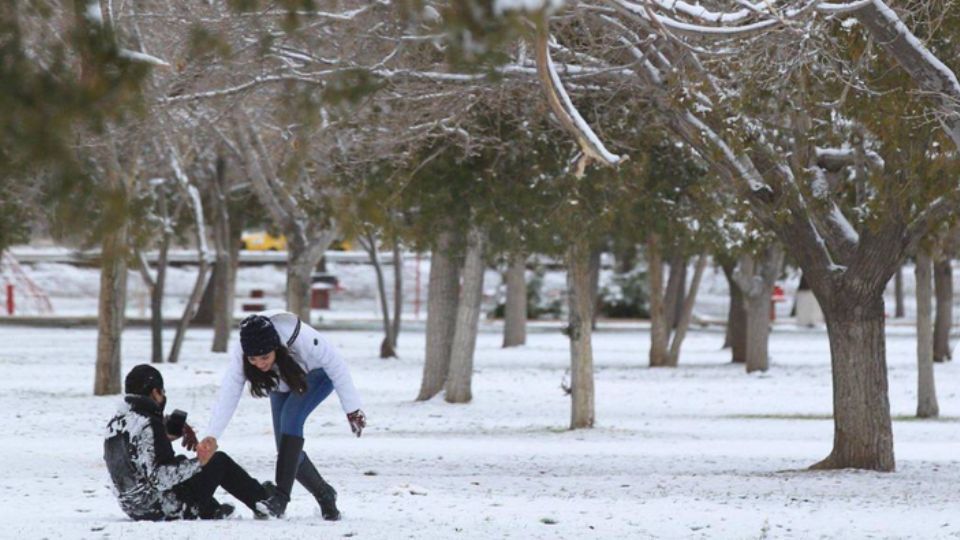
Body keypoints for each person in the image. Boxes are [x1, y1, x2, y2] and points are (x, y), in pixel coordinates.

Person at [202, 310, 367, 519]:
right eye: (253, 359)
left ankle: (280, 499)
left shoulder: (301, 338)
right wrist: (212, 434)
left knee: (291, 421)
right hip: (281, 383)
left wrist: (352, 409)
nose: (260, 364)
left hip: (318, 375)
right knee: (286, 448)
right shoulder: (242, 352)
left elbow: (337, 365)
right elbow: (230, 391)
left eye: (265, 357)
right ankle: (325, 494)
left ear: (277, 348)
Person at [104, 364, 273, 521]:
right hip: (161, 508)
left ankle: (212, 510)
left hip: (133, 508)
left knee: (180, 462)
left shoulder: (116, 423)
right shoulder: (149, 424)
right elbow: (159, 478)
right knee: (218, 461)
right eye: (162, 392)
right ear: (155, 392)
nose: (163, 397)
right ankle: (264, 500)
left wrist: (164, 435)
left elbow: (135, 463)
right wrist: (200, 461)